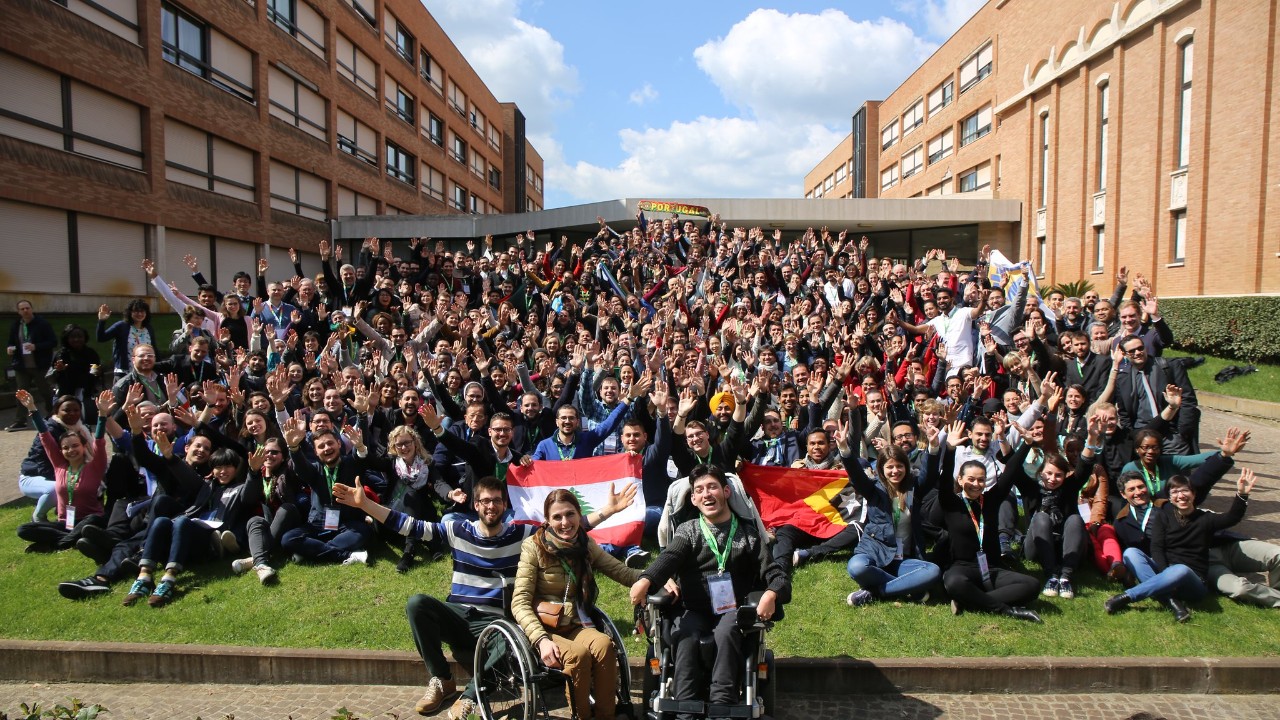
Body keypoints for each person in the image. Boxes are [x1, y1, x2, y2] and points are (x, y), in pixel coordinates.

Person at [630, 465, 790, 719]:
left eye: (712, 487)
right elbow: (670, 557)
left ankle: (722, 706)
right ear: (693, 498)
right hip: (693, 607)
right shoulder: (688, 530)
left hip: (731, 609)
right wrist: (646, 579)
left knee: (728, 630)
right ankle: (684, 709)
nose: (706, 494)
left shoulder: (748, 534)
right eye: (699, 490)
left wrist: (771, 593)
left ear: (726, 492)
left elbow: (776, 574)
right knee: (686, 634)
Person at [511, 489, 642, 720]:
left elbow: (620, 571)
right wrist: (541, 641)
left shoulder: (584, 543)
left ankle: (606, 715)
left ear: (579, 515)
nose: (565, 522)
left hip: (574, 623)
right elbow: (519, 602)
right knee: (578, 656)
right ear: (547, 521)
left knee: (603, 644)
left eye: (570, 515)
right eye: (557, 517)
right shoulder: (533, 547)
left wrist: (655, 577)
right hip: (542, 627)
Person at [1104, 470, 1257, 622]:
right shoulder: (1158, 518)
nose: (1181, 496)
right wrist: (1167, 576)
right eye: (1132, 489)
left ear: (1193, 495)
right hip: (1167, 570)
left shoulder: (1194, 516)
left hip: (1194, 580)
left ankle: (1126, 597)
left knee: (1180, 569)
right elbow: (1156, 548)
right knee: (1130, 553)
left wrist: (1242, 494)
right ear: (1123, 494)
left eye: (1141, 486)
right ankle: (1173, 603)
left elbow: (1232, 517)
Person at [930, 421, 1043, 622]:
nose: (976, 484)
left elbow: (1009, 474)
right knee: (954, 583)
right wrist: (949, 449)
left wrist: (1026, 444)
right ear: (961, 480)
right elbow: (945, 478)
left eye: (981, 480)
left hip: (991, 568)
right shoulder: (951, 502)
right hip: (961, 568)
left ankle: (970, 600)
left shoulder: (990, 500)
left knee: (1032, 585)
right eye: (971, 479)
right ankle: (1006, 610)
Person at [840, 433, 941, 606]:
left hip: (904, 558)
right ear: (882, 469)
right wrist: (844, 449)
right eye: (890, 467)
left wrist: (933, 447)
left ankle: (874, 592)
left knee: (932, 571)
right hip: (875, 554)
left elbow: (930, 475)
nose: (895, 471)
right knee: (856, 567)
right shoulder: (873, 489)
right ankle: (909, 587)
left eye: (899, 466)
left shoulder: (914, 487)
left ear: (906, 467)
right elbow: (856, 476)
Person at [14, 390, 117, 551]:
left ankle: (58, 544)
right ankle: (72, 540)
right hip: (66, 523)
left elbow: (99, 441)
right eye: (66, 448)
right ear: (60, 451)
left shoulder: (95, 466)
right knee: (24, 530)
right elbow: (45, 436)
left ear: (83, 447)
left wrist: (102, 415)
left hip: (90, 520)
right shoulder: (59, 466)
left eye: (75, 446)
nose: (71, 450)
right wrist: (32, 408)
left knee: (90, 523)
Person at [8, 299, 57, 431]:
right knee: (22, 393)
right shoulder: (16, 325)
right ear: (18, 311)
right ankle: (20, 420)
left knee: (45, 392)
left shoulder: (42, 324)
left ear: (31, 309)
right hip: (22, 366)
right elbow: (11, 342)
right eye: (22, 309)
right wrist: (10, 348)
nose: (25, 311)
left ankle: (52, 414)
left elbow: (53, 342)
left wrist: (36, 346)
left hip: (39, 365)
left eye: (27, 308)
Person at [96, 299, 155, 380]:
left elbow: (154, 349)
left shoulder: (148, 329)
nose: (140, 314)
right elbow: (101, 338)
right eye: (136, 311)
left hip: (144, 373)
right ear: (130, 312)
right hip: (124, 374)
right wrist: (102, 321)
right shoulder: (121, 326)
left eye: (142, 311)